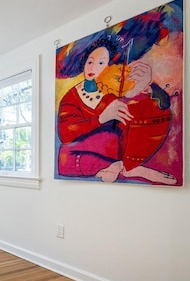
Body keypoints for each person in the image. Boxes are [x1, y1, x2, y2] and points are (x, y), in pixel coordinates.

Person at [57, 37, 176, 185]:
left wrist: (143, 87)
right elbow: (66, 134)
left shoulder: (112, 89)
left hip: (115, 148)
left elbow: (136, 110)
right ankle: (118, 168)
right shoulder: (71, 96)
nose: (93, 67)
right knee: (65, 155)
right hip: (84, 150)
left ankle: (126, 167)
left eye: (101, 63)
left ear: (108, 67)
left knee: (144, 118)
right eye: (90, 62)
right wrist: (101, 119)